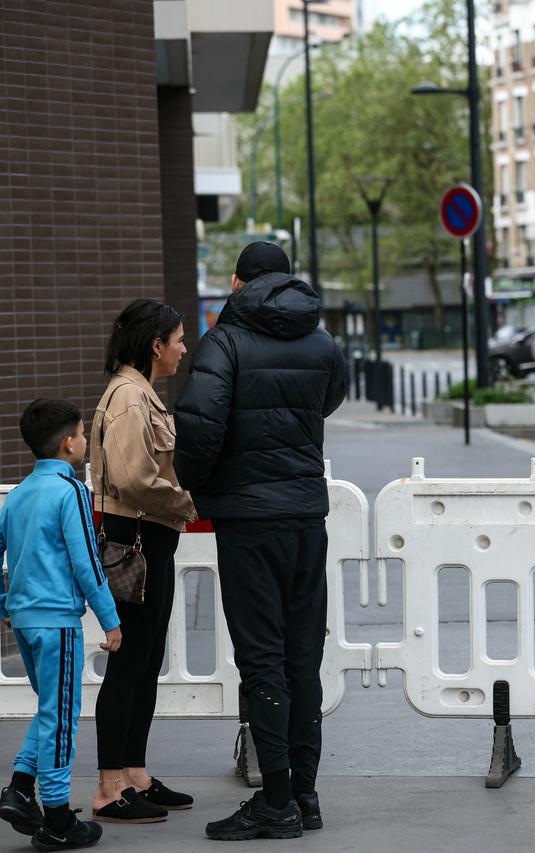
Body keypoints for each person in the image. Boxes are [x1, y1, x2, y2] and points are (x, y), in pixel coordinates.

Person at [174, 241, 347, 841]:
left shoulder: (224, 340)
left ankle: (275, 800)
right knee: (303, 657)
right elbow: (329, 400)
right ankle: (306, 793)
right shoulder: (321, 340)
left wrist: (198, 483)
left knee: (262, 659)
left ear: (238, 281)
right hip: (306, 516)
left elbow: (198, 430)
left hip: (249, 522)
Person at [89, 300, 197, 824]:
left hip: (147, 541)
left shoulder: (137, 393)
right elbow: (135, 480)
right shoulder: (131, 398)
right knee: (130, 663)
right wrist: (186, 503)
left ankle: (134, 774)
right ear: (156, 345)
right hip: (136, 541)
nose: (183, 348)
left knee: (145, 660)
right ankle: (111, 788)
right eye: (178, 339)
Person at [0, 400, 122, 850]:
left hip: (26, 621)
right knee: (63, 717)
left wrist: (3, 601)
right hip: (57, 623)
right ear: (69, 443)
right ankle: (55, 819)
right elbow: (87, 562)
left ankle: (18, 789)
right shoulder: (70, 491)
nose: (86, 441)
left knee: (51, 709)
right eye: (84, 433)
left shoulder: (18, 495)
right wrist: (110, 618)